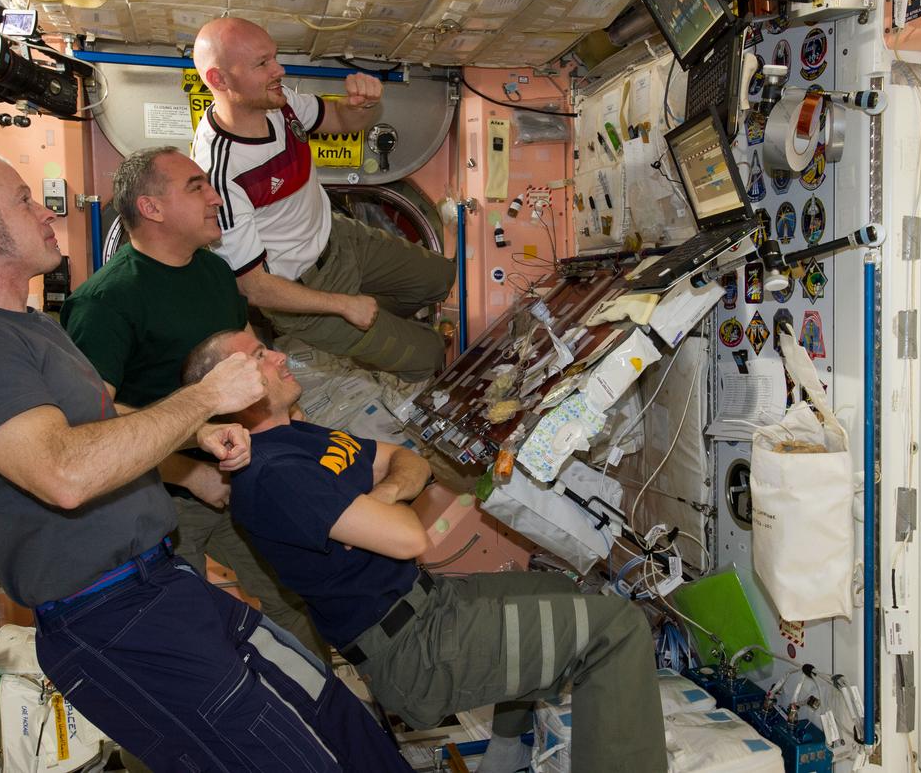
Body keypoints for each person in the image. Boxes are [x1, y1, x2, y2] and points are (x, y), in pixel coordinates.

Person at [0, 151, 411, 773]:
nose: (43, 210)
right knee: (292, 759)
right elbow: (63, 473)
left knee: (335, 717)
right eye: (22, 200)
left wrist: (190, 446)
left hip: (163, 585)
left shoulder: (31, 328)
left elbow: (103, 432)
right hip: (114, 618)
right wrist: (205, 398)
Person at [183, 329, 670, 773]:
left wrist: (385, 495)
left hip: (427, 603)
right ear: (228, 390)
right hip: (414, 651)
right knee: (617, 629)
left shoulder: (298, 436)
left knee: (550, 588)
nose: (281, 356)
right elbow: (410, 539)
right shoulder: (274, 474)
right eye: (260, 356)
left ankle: (507, 755)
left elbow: (406, 459)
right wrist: (386, 501)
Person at [61, 146, 327, 660]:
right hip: (162, 496)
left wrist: (293, 422)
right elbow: (90, 422)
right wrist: (189, 474)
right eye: (196, 187)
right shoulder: (105, 302)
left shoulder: (213, 272)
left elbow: (250, 350)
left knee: (297, 604)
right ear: (152, 208)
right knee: (176, 640)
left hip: (245, 471)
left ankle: (320, 720)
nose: (214, 197)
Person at [190, 16, 455, 382]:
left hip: (343, 240)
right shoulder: (219, 173)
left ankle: (381, 330)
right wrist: (343, 306)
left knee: (443, 278)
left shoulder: (279, 105)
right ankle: (380, 343)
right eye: (262, 63)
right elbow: (252, 287)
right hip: (306, 294)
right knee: (428, 356)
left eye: (275, 57)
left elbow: (339, 120)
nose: (278, 69)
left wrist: (361, 106)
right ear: (219, 79)